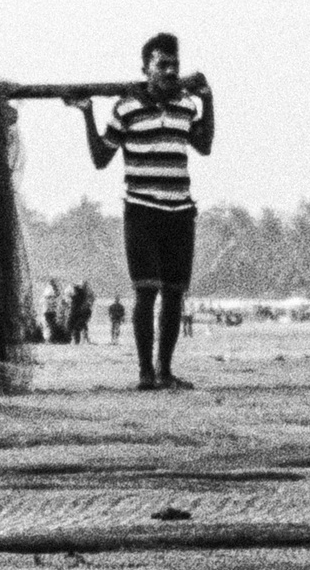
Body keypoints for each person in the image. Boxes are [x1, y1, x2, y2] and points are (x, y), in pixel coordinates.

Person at [69, 33, 215, 390]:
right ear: (145, 68)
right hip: (142, 211)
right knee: (147, 292)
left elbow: (204, 146)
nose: (170, 71)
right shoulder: (126, 108)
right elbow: (101, 159)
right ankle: (145, 373)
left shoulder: (185, 105)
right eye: (162, 65)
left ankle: (165, 371)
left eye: (174, 65)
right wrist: (88, 113)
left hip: (180, 211)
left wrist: (208, 101)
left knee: (175, 294)